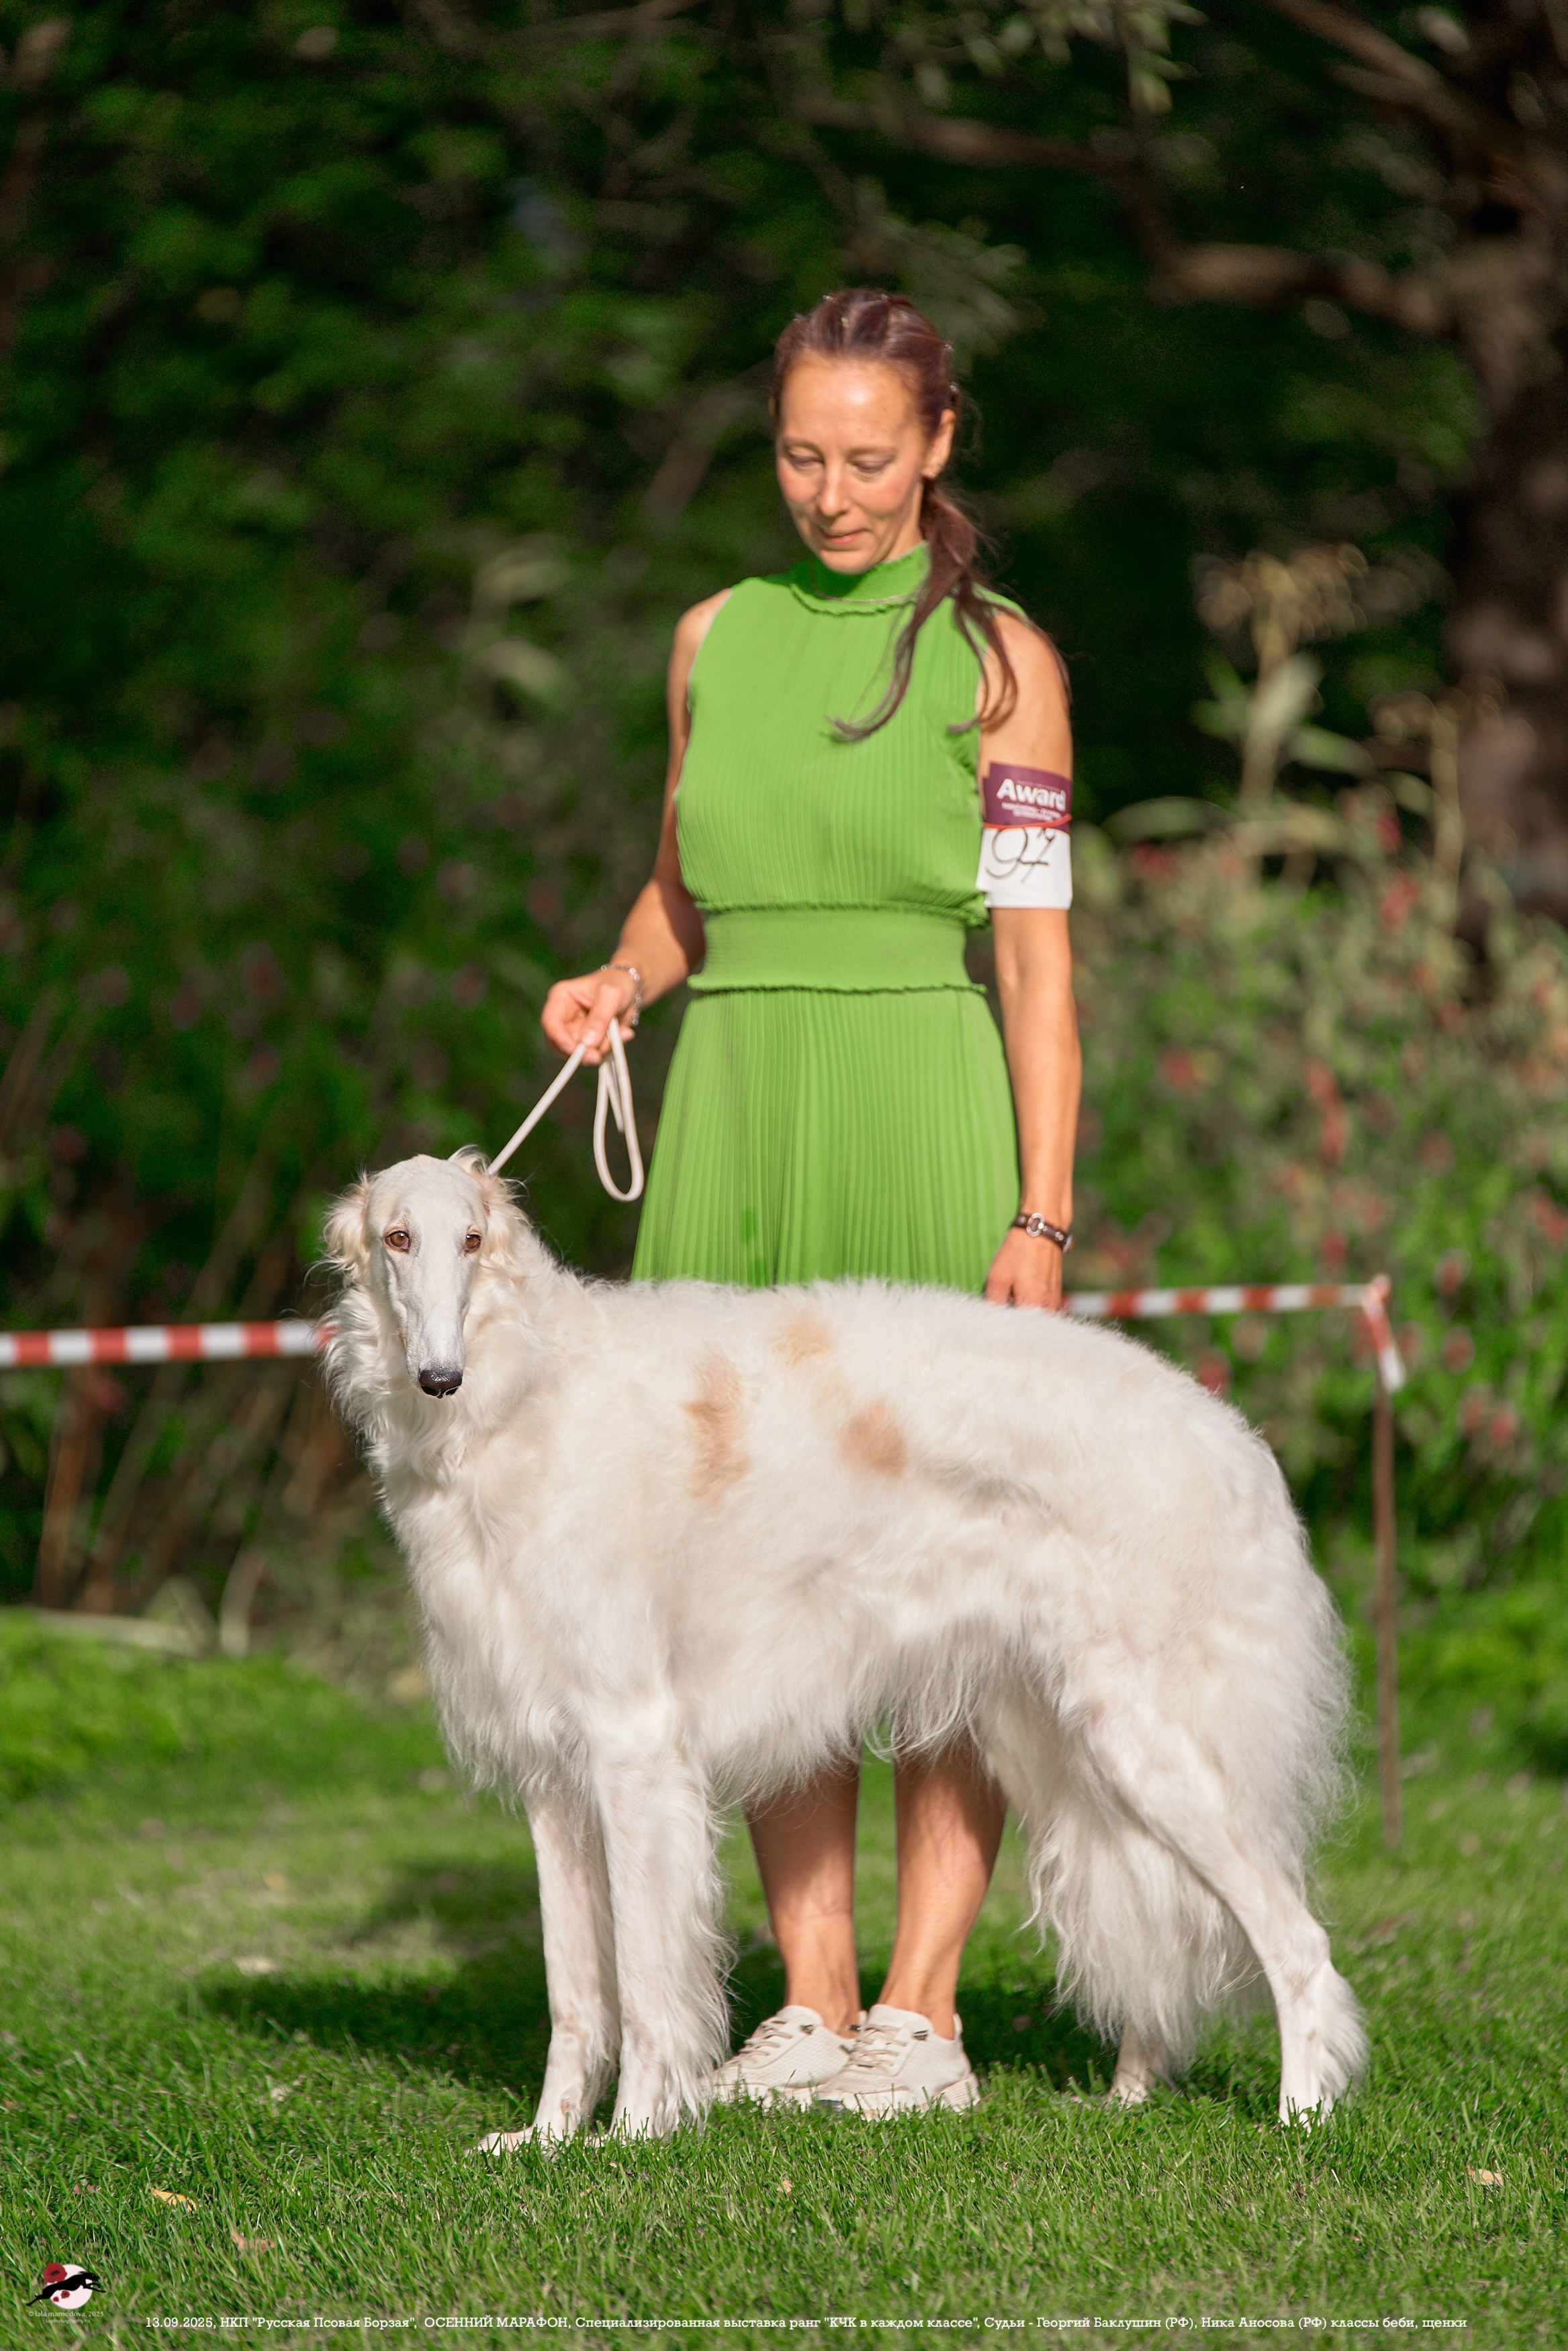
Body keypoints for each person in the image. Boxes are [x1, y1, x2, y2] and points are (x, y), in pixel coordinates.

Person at [540, 287, 1080, 2117]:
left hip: (925, 1108)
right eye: (798, 455)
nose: (830, 495)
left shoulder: (1005, 661)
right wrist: (617, 978)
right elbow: (684, 891)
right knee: (761, 1563)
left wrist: (1045, 1211)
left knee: (947, 1570)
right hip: (737, 1116)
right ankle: (810, 1999)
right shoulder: (716, 637)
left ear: (938, 446)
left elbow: (1036, 969)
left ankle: (926, 2010)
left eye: (866, 458)